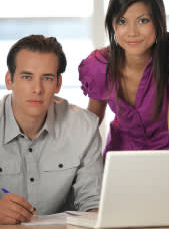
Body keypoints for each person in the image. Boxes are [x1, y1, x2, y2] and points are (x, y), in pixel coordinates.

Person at [78, 0, 169, 219]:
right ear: (113, 25)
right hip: (121, 164)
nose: (131, 32)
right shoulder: (98, 65)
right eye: (122, 21)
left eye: (142, 20)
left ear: (158, 22)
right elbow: (90, 125)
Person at [0, 35, 103, 225]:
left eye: (46, 78)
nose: (37, 89)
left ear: (57, 84)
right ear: (9, 80)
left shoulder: (84, 127)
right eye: (26, 77)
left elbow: (93, 203)